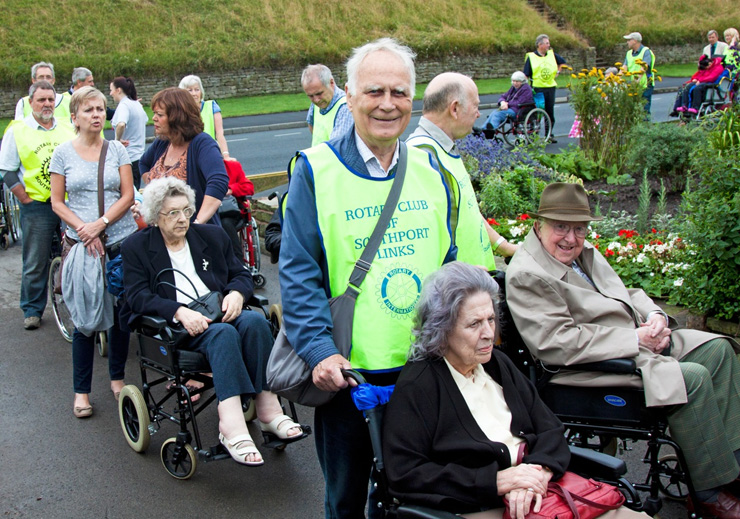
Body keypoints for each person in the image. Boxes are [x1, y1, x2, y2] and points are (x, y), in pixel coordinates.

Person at [279, 37, 456, 518]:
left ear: (413, 101)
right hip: (349, 380)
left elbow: (450, 265)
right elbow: (298, 274)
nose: (387, 104)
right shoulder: (316, 169)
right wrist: (318, 349)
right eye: (374, 91)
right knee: (347, 499)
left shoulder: (430, 169)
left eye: (399, 93)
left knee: (420, 498)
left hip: (426, 373)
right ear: (350, 96)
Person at [505, 183, 740, 519]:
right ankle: (708, 492)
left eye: (579, 228)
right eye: (561, 227)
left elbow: (625, 293)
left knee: (717, 350)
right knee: (692, 378)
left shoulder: (582, 256)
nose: (571, 238)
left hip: (630, 344)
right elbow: (557, 342)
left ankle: (732, 466)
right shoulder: (528, 274)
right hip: (589, 370)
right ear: (538, 224)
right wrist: (635, 341)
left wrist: (655, 316)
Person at [384, 261, 649, 519]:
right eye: (474, 324)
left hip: (543, 491)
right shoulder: (419, 384)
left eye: (491, 319)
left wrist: (537, 471)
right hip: (478, 504)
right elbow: (406, 473)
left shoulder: (496, 363)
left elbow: (550, 427)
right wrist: (496, 481)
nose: (489, 333)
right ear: (441, 329)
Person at [121, 177, 305, 466]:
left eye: (186, 210)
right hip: (177, 327)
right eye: (173, 213)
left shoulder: (211, 236)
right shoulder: (137, 247)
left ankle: (269, 411)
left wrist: (236, 293)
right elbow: (136, 296)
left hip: (218, 311)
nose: (183, 219)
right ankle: (230, 425)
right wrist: (177, 311)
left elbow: (241, 275)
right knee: (223, 335)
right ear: (156, 216)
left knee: (256, 323)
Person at [49, 86, 138, 418]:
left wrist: (99, 223)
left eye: (101, 109)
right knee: (84, 321)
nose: (97, 115)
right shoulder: (63, 154)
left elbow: (128, 195)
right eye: (89, 110)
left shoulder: (116, 150)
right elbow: (58, 202)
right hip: (84, 249)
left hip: (119, 243)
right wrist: (84, 230)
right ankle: (81, 392)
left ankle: (117, 379)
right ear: (75, 117)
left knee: (120, 317)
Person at [407, 71, 516, 271]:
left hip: (472, 283)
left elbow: (468, 210)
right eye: (475, 105)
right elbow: (422, 238)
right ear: (455, 109)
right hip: (458, 291)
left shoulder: (442, 149)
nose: (478, 113)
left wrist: (505, 247)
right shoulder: (422, 156)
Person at [0, 81, 76, 330]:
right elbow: (7, 170)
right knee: (35, 260)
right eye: (41, 100)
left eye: (50, 100)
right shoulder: (17, 130)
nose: (46, 104)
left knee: (74, 255)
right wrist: (24, 198)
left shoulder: (67, 128)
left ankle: (75, 304)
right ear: (30, 102)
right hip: (38, 205)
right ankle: (32, 309)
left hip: (68, 203)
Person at [139, 87, 228, 225]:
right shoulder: (163, 142)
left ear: (177, 118)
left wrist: (197, 223)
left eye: (160, 115)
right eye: (154, 113)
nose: (154, 118)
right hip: (162, 233)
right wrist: (156, 190)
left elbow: (218, 181)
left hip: (193, 234)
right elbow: (143, 164)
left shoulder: (202, 143)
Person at [178, 75, 234, 161]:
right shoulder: (179, 111)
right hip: (189, 156)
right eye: (190, 90)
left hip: (210, 152)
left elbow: (219, 133)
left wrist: (225, 155)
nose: (194, 94)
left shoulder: (211, 106)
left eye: (197, 89)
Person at [523, 34, 567, 143]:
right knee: (537, 112)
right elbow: (526, 74)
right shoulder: (531, 57)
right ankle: (534, 135)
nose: (549, 45)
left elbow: (562, 63)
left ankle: (549, 134)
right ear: (540, 45)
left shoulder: (552, 55)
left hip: (550, 87)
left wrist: (558, 71)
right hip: (538, 88)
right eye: (547, 43)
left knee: (549, 112)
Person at [302, 64, 354, 146]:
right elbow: (310, 123)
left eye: (319, 93)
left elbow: (338, 148)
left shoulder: (344, 107)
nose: (316, 100)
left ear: (331, 82)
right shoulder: (318, 102)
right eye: (310, 96)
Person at [110, 77, 148, 189]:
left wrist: (117, 140)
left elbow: (121, 124)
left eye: (111, 89)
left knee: (128, 194)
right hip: (139, 156)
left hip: (128, 157)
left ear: (119, 90)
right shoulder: (136, 105)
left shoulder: (124, 106)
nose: (110, 93)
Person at [623, 32, 656, 115]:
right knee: (634, 110)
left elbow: (644, 67)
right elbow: (624, 68)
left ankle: (646, 126)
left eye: (629, 40)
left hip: (646, 85)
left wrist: (636, 80)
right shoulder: (629, 53)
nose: (627, 42)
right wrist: (615, 79)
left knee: (644, 109)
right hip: (635, 85)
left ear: (635, 41)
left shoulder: (646, 52)